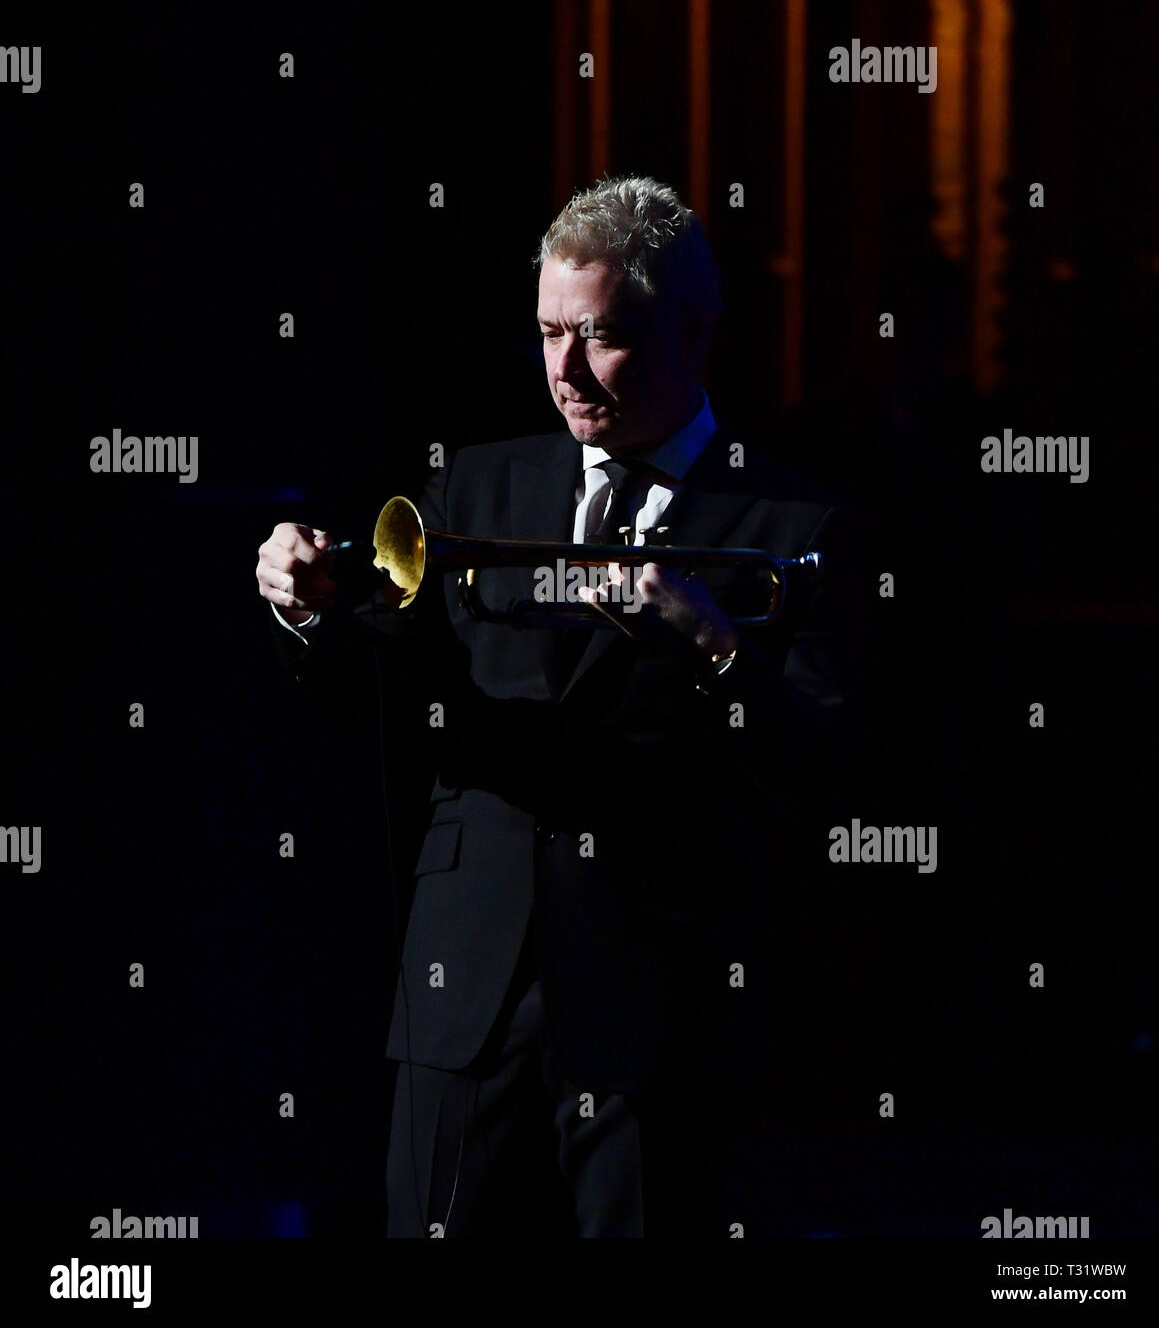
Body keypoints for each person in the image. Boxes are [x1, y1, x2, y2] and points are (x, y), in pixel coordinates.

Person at [255, 175, 852, 1237]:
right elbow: (376, 691)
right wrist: (305, 611)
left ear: (696, 331)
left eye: (603, 337)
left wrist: (715, 640)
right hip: (465, 984)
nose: (566, 372)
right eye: (545, 333)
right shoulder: (474, 488)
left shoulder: (794, 515)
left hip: (657, 1008)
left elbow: (824, 762)